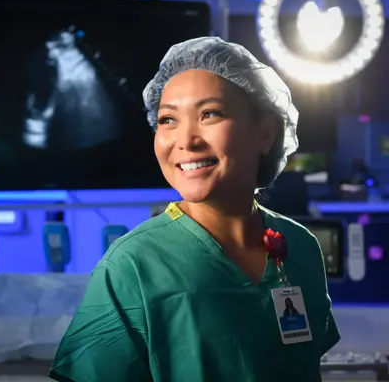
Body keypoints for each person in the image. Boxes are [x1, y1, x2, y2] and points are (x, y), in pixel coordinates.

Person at [49, 37, 340, 382]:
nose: (186, 140)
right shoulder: (133, 265)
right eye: (168, 120)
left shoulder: (300, 247)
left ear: (265, 132)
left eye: (209, 114)